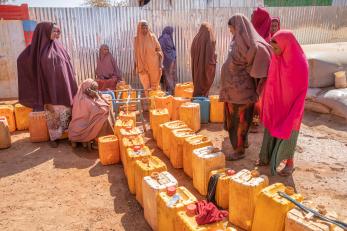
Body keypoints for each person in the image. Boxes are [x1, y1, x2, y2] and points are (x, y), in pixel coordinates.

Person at [219, 14, 272, 161]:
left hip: (242, 91)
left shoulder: (253, 44)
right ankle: (243, 143)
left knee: (240, 121)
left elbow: (263, 57)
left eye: (232, 29)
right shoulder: (238, 40)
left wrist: (249, 73)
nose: (231, 32)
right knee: (237, 120)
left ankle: (239, 150)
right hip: (233, 91)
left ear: (239, 27)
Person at [17, 22, 78, 148]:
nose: (57, 34)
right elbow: (22, 60)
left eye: (58, 31)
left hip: (63, 87)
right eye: (54, 31)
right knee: (53, 113)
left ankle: (67, 135)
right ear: (44, 32)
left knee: (66, 111)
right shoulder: (35, 49)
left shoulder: (58, 46)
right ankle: (54, 137)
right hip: (49, 88)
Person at [258, 30, 308, 176]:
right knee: (271, 131)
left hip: (292, 108)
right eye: (272, 48)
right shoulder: (277, 58)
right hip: (277, 105)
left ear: (286, 45)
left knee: (289, 134)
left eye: (276, 48)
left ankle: (289, 164)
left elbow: (301, 90)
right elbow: (272, 81)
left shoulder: (300, 63)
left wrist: (294, 110)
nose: (274, 51)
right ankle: (266, 158)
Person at [68, 79, 114, 149]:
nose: (96, 91)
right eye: (94, 90)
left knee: (103, 116)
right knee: (104, 118)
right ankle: (97, 143)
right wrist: (98, 97)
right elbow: (104, 109)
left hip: (76, 129)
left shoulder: (79, 97)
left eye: (96, 90)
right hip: (84, 129)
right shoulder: (86, 101)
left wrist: (98, 96)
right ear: (88, 90)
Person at [134, 20, 163, 93]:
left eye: (146, 27)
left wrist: (160, 65)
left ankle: (154, 103)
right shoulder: (136, 39)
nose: (145, 30)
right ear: (139, 28)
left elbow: (159, 50)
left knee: (154, 87)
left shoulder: (152, 37)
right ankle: (148, 102)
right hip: (142, 67)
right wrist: (135, 67)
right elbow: (136, 54)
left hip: (154, 66)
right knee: (146, 87)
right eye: (143, 28)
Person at [191, 23, 217, 97]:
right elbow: (210, 58)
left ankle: (197, 102)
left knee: (197, 83)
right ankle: (202, 102)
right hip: (205, 68)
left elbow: (192, 52)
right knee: (203, 85)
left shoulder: (196, 38)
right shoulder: (209, 38)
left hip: (196, 67)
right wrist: (215, 57)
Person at [158, 26, 177, 95]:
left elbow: (158, 50)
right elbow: (172, 50)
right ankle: (172, 91)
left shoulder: (161, 38)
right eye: (171, 32)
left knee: (164, 76)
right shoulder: (168, 38)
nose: (172, 34)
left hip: (163, 61)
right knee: (170, 76)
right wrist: (173, 58)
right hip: (171, 61)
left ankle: (166, 92)